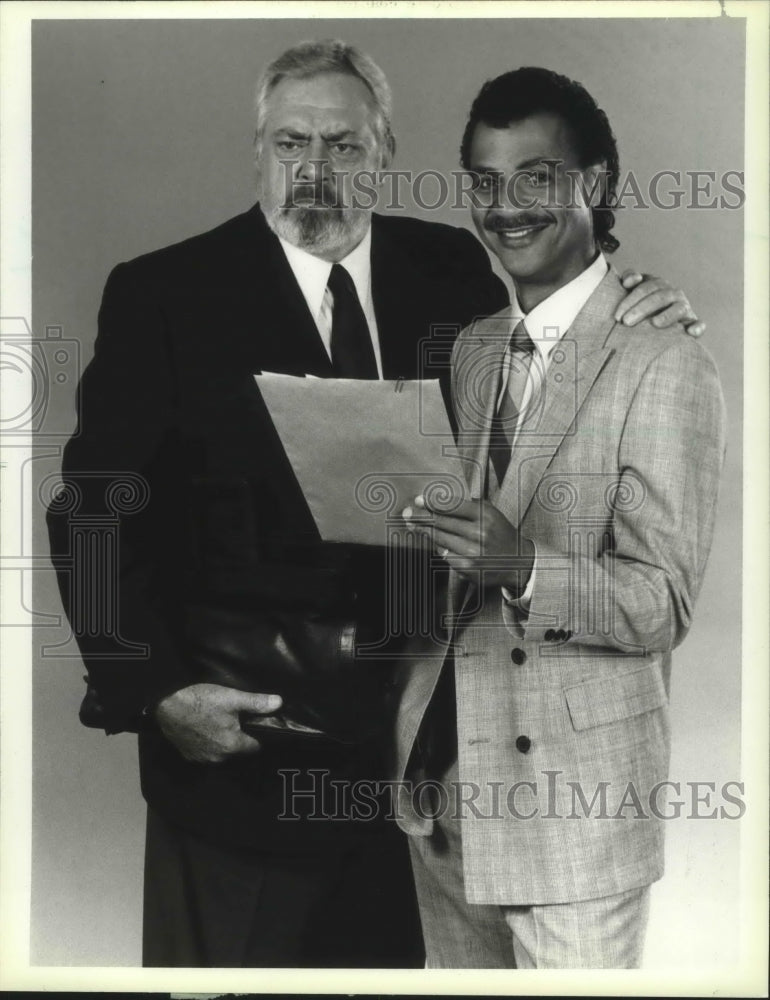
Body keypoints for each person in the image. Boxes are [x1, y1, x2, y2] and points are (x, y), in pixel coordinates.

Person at [47, 41, 705, 969]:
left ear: (387, 151)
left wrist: (645, 298)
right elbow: (91, 514)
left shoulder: (453, 273)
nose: (314, 172)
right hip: (242, 758)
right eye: (290, 144)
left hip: (414, 771)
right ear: (258, 150)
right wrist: (156, 693)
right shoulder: (164, 293)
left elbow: (564, 328)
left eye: (344, 147)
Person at [399, 66, 726, 969]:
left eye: (536, 177)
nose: (506, 208)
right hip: (443, 791)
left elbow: (661, 604)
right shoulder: (468, 349)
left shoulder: (664, 359)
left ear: (599, 183)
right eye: (484, 182)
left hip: (575, 811)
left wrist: (527, 567)